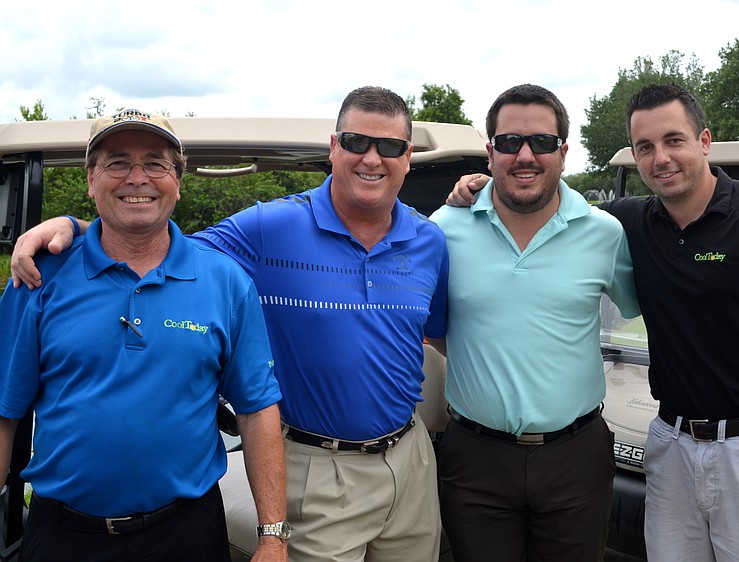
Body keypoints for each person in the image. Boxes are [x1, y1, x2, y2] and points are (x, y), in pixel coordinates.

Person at [11, 87, 447, 562]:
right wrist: (76, 227)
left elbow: (442, 332)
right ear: (333, 147)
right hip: (319, 466)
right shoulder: (268, 228)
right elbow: (151, 236)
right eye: (356, 142)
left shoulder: (431, 239)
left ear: (408, 157)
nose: (372, 158)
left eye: (389, 146)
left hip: (410, 459)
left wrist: (474, 188)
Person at [448, 83, 739, 562]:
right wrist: (483, 185)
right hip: (671, 442)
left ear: (704, 141)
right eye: (645, 147)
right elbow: (548, 208)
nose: (661, 158)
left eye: (674, 140)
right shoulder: (626, 223)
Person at [0, 109, 288, 562]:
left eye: (156, 163)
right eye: (117, 163)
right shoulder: (37, 277)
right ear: (90, 179)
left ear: (178, 180)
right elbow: (4, 412)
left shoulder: (226, 281)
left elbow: (256, 409)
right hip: (63, 536)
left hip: (188, 533)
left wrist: (273, 537)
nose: (138, 178)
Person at [425, 84, 640, 562]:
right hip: (475, 458)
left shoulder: (605, 233)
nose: (525, 155)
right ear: (490, 153)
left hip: (575, 456)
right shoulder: (443, 228)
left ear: (563, 152)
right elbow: (433, 328)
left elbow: (642, 307)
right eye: (509, 142)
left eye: (542, 142)